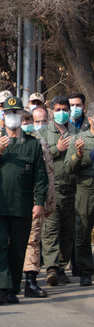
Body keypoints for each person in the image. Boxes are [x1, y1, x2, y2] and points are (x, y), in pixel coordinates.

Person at [0, 95, 48, 304]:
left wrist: (39, 202)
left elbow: (41, 176)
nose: (12, 117)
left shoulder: (32, 144)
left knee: (18, 248)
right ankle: (0, 286)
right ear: (2, 115)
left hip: (23, 204)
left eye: (16, 113)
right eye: (8, 113)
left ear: (22, 115)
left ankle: (12, 289)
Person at [37, 96, 79, 286]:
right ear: (52, 111)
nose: (62, 112)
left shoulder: (77, 132)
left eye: (65, 108)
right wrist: (57, 149)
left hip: (71, 188)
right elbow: (39, 157)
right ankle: (51, 268)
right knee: (50, 230)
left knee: (68, 231)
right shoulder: (44, 133)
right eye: (58, 109)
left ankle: (62, 267)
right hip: (51, 189)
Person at [22, 105, 56, 298]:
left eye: (30, 121)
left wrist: (46, 202)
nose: (27, 124)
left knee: (33, 241)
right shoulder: (12, 140)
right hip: (16, 199)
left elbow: (48, 175)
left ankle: (31, 281)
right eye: (24, 120)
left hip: (36, 199)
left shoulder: (41, 142)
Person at [69, 104, 94, 287]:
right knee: (83, 230)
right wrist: (78, 155)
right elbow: (70, 168)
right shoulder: (80, 139)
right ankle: (86, 271)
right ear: (91, 119)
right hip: (86, 189)